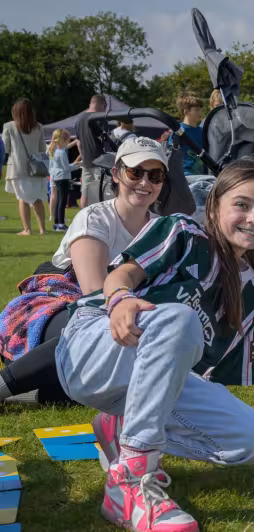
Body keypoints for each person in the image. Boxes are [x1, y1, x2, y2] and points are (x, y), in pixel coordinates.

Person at [54, 159, 254, 532]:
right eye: (241, 205)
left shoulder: (251, 291)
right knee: (178, 318)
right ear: (215, 206)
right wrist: (121, 301)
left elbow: (206, 376)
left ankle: (121, 426)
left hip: (142, 379)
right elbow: (121, 274)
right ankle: (129, 482)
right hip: (92, 346)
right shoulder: (184, 232)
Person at [0, 137, 170, 405]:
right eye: (135, 172)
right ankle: (5, 386)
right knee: (102, 334)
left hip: (125, 314)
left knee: (136, 367)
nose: (145, 183)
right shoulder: (95, 218)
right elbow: (93, 294)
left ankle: (33, 395)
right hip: (64, 305)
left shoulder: (164, 229)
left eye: (155, 175)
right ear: (116, 173)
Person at [2, 98, 48, 236]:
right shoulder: (39, 127)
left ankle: (27, 229)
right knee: (37, 199)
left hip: (18, 168)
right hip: (36, 167)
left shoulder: (9, 127)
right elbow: (42, 148)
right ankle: (42, 229)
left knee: (22, 198)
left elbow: (5, 148)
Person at [75, 94, 108, 209]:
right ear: (102, 104)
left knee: (85, 192)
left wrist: (83, 157)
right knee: (102, 191)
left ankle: (83, 218)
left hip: (86, 162)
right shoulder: (98, 118)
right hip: (100, 161)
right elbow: (105, 139)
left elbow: (78, 142)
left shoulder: (79, 119)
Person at [47, 128, 79, 232]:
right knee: (62, 201)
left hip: (56, 177)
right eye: (67, 140)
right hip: (63, 177)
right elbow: (66, 168)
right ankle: (61, 223)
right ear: (63, 140)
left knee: (58, 200)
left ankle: (56, 223)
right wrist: (78, 165)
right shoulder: (61, 152)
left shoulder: (53, 150)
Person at [168, 94, 206, 177]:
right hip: (184, 175)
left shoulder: (203, 131)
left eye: (201, 110)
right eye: (196, 110)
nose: (200, 112)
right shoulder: (178, 131)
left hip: (202, 176)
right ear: (186, 111)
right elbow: (171, 155)